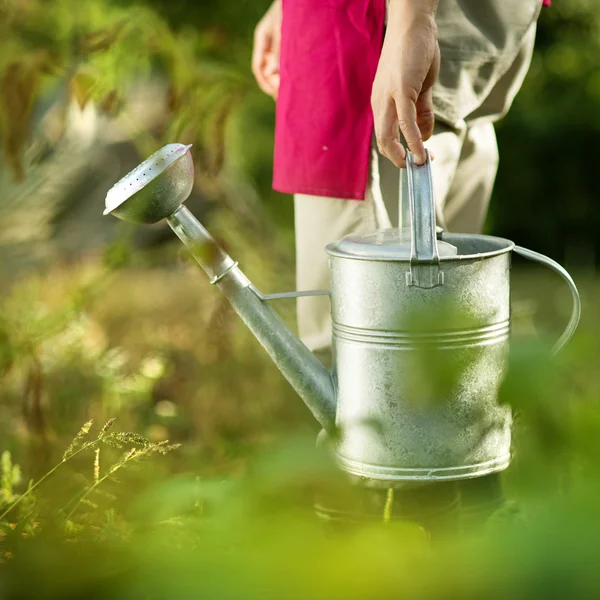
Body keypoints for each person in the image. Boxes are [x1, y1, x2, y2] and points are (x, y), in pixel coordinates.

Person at [252, 0, 547, 529]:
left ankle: (403, 544)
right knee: (449, 331)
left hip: (379, 22)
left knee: (377, 358)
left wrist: (413, 22)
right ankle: (473, 526)